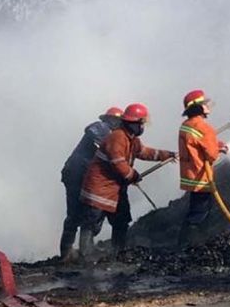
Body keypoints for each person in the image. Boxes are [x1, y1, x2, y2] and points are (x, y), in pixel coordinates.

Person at [78, 103, 176, 260]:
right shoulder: (117, 137)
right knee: (91, 223)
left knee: (121, 221)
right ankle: (85, 258)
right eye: (142, 123)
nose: (143, 126)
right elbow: (118, 162)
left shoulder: (131, 139)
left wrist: (167, 155)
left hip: (115, 189)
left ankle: (117, 254)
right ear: (134, 122)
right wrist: (133, 175)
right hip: (100, 188)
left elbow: (145, 152)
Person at [58, 106, 125, 261]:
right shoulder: (101, 128)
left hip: (89, 178)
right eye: (117, 121)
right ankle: (66, 253)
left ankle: (85, 250)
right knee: (75, 214)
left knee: (93, 213)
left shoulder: (114, 137)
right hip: (76, 176)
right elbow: (92, 130)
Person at [176, 90, 229, 249]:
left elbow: (198, 144)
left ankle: (188, 243)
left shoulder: (186, 125)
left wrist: (216, 144)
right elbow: (211, 154)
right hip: (202, 177)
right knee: (200, 213)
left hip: (191, 175)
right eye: (205, 104)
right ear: (198, 107)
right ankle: (188, 245)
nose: (208, 106)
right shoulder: (203, 127)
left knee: (196, 210)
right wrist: (218, 149)